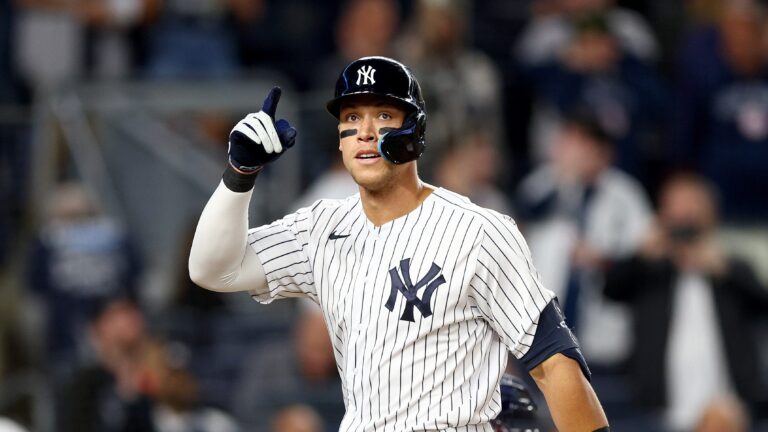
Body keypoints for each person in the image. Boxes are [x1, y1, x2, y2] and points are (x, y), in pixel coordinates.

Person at [189, 56, 609, 431]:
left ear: (416, 132)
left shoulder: (478, 231)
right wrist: (239, 174)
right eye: (351, 119)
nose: (365, 133)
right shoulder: (320, 228)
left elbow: (555, 364)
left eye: (384, 116)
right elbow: (212, 269)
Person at [603, 173, 768, 431]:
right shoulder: (650, 271)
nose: (685, 217)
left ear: (711, 214)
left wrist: (725, 269)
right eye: (676, 209)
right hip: (659, 412)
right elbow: (611, 290)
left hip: (730, 410)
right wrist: (643, 254)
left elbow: (761, 304)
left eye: (693, 207)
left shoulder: (731, 268)